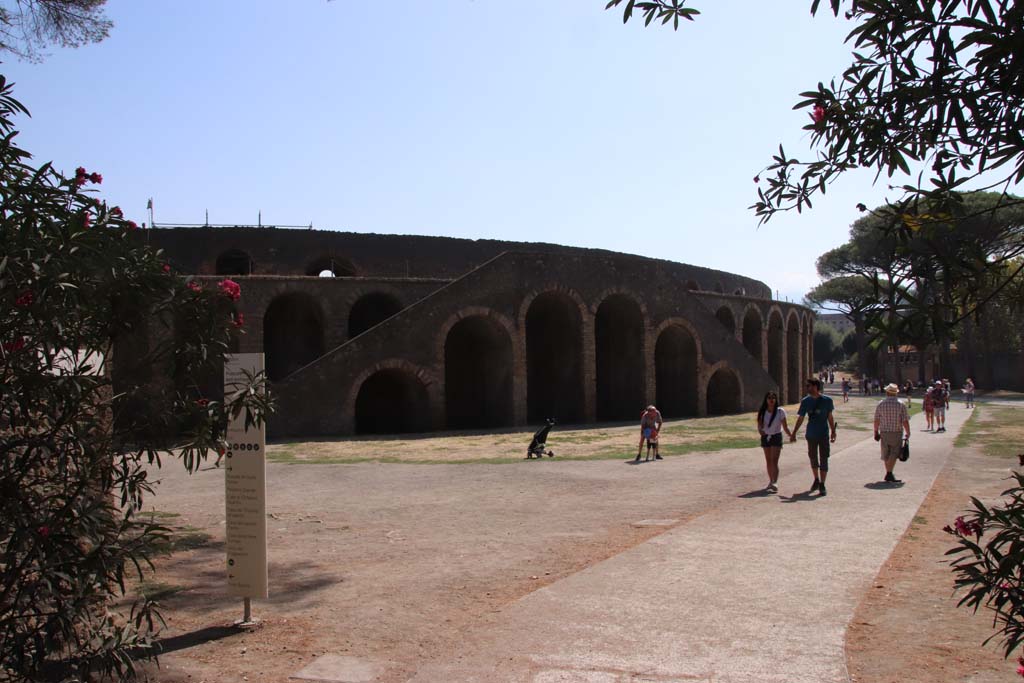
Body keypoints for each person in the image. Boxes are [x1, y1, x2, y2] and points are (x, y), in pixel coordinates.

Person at [790, 377, 837, 496]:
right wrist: (794, 432)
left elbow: (830, 417)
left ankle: (822, 483)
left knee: (824, 457)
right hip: (811, 434)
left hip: (823, 434)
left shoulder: (827, 401)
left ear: (815, 387)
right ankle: (816, 479)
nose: (807, 388)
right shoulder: (805, 401)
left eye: (808, 386)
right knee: (813, 457)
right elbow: (801, 418)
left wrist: (833, 431)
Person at [874, 383, 911, 483]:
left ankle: (889, 473)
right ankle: (889, 473)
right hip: (896, 431)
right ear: (896, 393)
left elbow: (876, 419)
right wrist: (908, 432)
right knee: (894, 453)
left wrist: (875, 431)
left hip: (884, 431)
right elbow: (905, 420)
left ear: (887, 392)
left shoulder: (881, 404)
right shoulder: (901, 404)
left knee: (886, 453)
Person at [756, 392, 792, 492]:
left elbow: (785, 426)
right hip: (766, 437)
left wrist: (791, 435)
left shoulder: (780, 411)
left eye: (773, 398)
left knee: (774, 460)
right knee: (768, 460)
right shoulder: (762, 411)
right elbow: (759, 425)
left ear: (776, 399)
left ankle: (775, 482)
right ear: (766, 400)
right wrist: (760, 430)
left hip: (776, 436)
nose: (771, 400)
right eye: (769, 398)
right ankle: (771, 481)